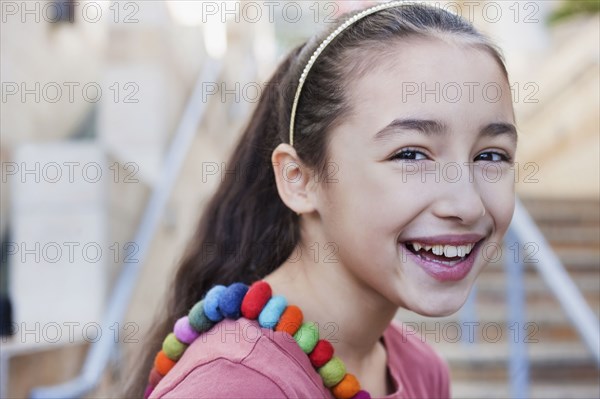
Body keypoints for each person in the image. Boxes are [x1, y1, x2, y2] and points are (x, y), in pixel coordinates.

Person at [125, 2, 518, 398]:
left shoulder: (421, 368)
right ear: (298, 179)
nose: (468, 205)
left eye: (491, 155)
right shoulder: (236, 385)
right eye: (411, 154)